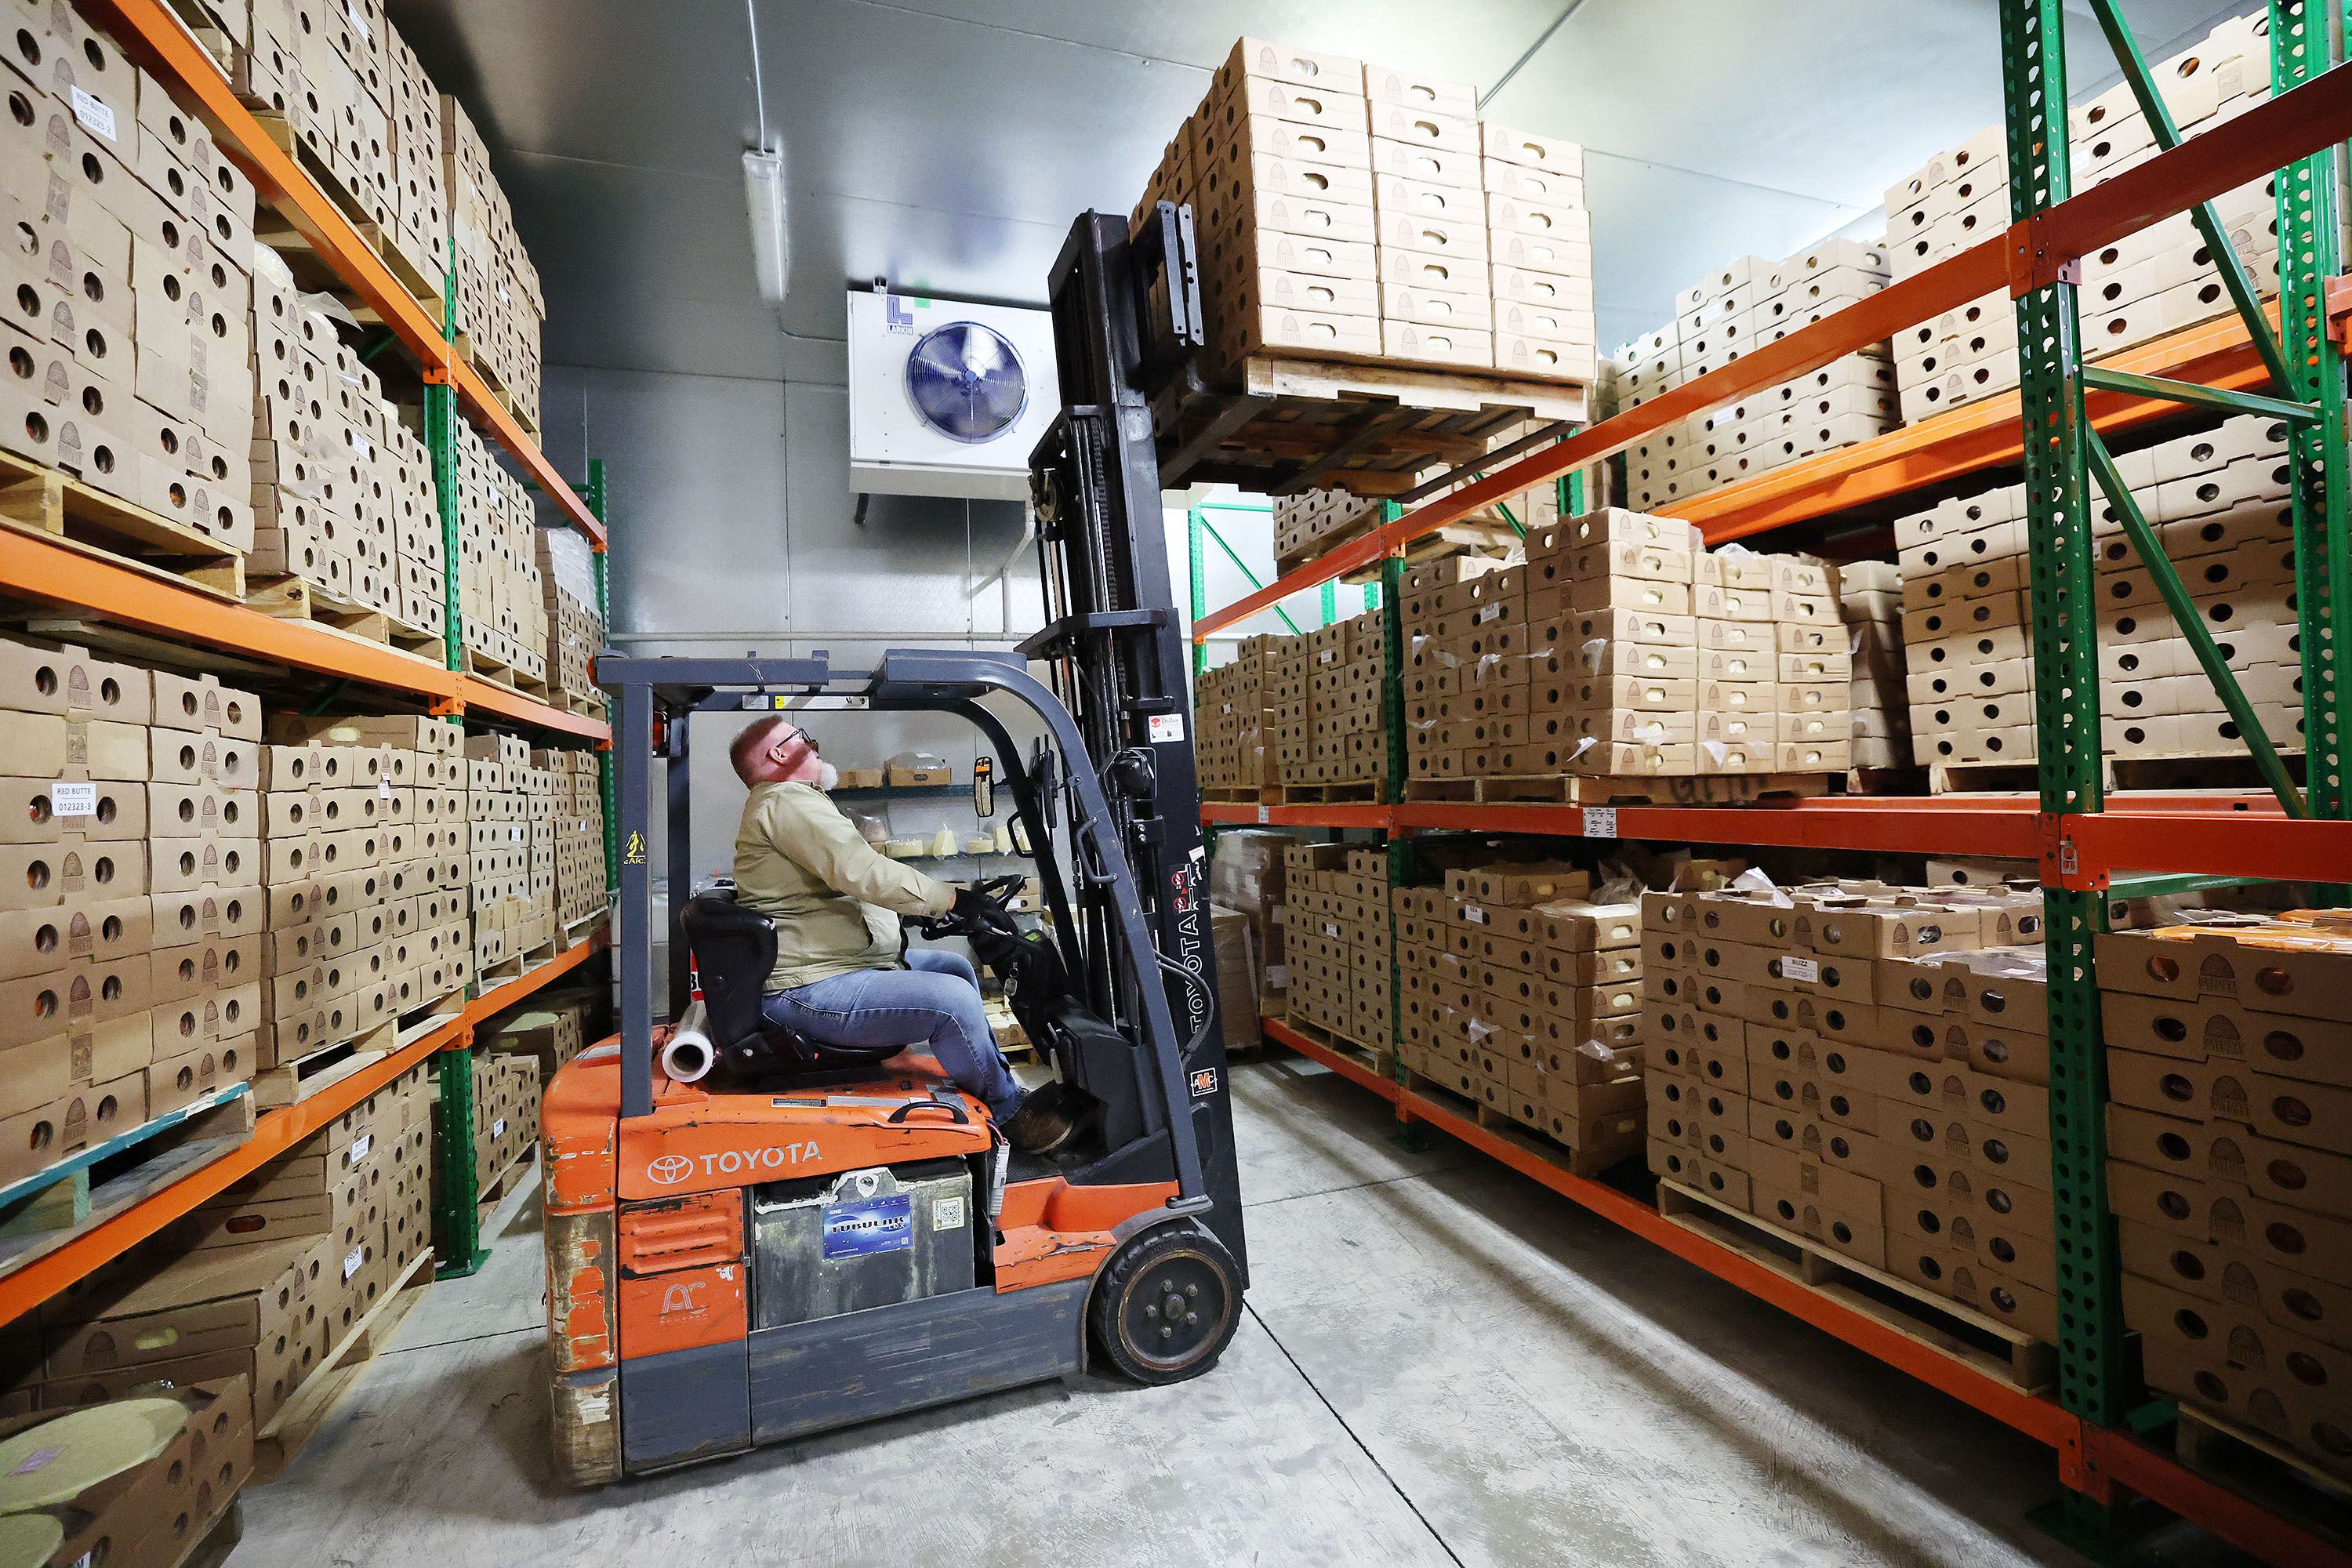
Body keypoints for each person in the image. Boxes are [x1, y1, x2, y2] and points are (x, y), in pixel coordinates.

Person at [725, 715, 1078, 1153]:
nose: (814, 746)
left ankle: (991, 1082)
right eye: (804, 740)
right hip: (807, 987)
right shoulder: (786, 801)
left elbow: (836, 890)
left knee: (954, 968)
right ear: (779, 754)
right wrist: (952, 900)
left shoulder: (786, 806)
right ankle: (1007, 1111)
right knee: (952, 1002)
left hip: (831, 964)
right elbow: (863, 872)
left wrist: (911, 915)